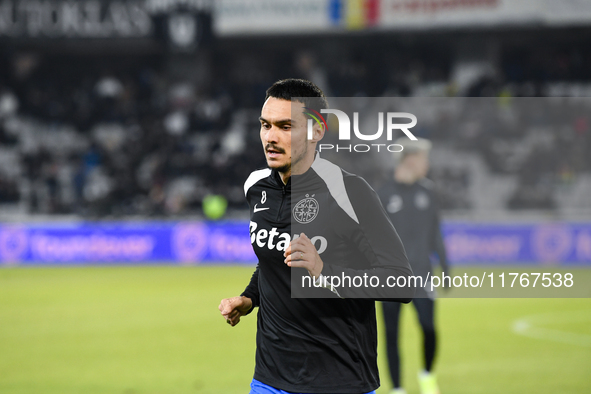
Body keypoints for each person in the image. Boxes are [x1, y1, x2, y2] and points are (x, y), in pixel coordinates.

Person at [218, 78, 415, 394]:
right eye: (265, 125)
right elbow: (273, 262)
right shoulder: (256, 187)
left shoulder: (350, 193)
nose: (270, 137)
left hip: (340, 380)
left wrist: (325, 272)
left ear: (317, 131)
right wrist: (249, 298)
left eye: (285, 126)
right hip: (270, 379)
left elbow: (401, 282)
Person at [377, 138, 450, 394]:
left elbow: (436, 233)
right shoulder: (382, 194)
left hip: (422, 276)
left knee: (429, 328)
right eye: (424, 158)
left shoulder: (428, 192)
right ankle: (397, 388)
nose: (427, 164)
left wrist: (446, 267)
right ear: (410, 160)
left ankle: (427, 374)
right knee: (391, 334)